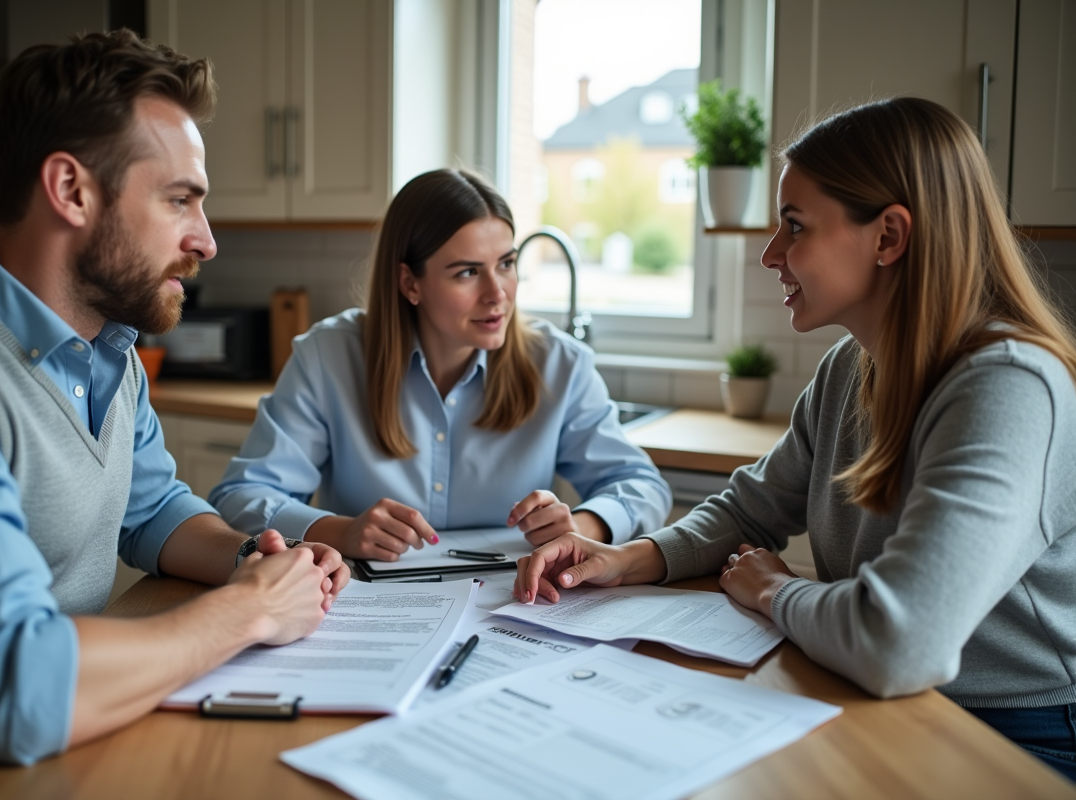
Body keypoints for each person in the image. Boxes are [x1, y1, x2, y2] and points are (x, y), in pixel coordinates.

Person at [513, 97, 1076, 779]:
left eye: (795, 226)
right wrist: (625, 558)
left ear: (888, 237)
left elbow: (898, 642)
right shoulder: (851, 368)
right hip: (875, 693)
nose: (770, 253)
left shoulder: (1011, 388)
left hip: (1014, 730)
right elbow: (750, 510)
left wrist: (774, 592)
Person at [0, 30, 349, 797]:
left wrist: (253, 558)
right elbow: (8, 688)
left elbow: (151, 508)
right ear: (70, 190)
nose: (207, 240)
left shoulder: (109, 348)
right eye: (179, 199)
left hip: (76, 734)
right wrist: (250, 610)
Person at [210, 169, 671, 561]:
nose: (497, 293)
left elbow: (641, 485)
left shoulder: (559, 364)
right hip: (364, 605)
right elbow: (241, 496)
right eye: (468, 272)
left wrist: (582, 526)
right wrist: (341, 531)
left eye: (506, 264)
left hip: (510, 603)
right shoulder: (327, 358)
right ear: (410, 282)